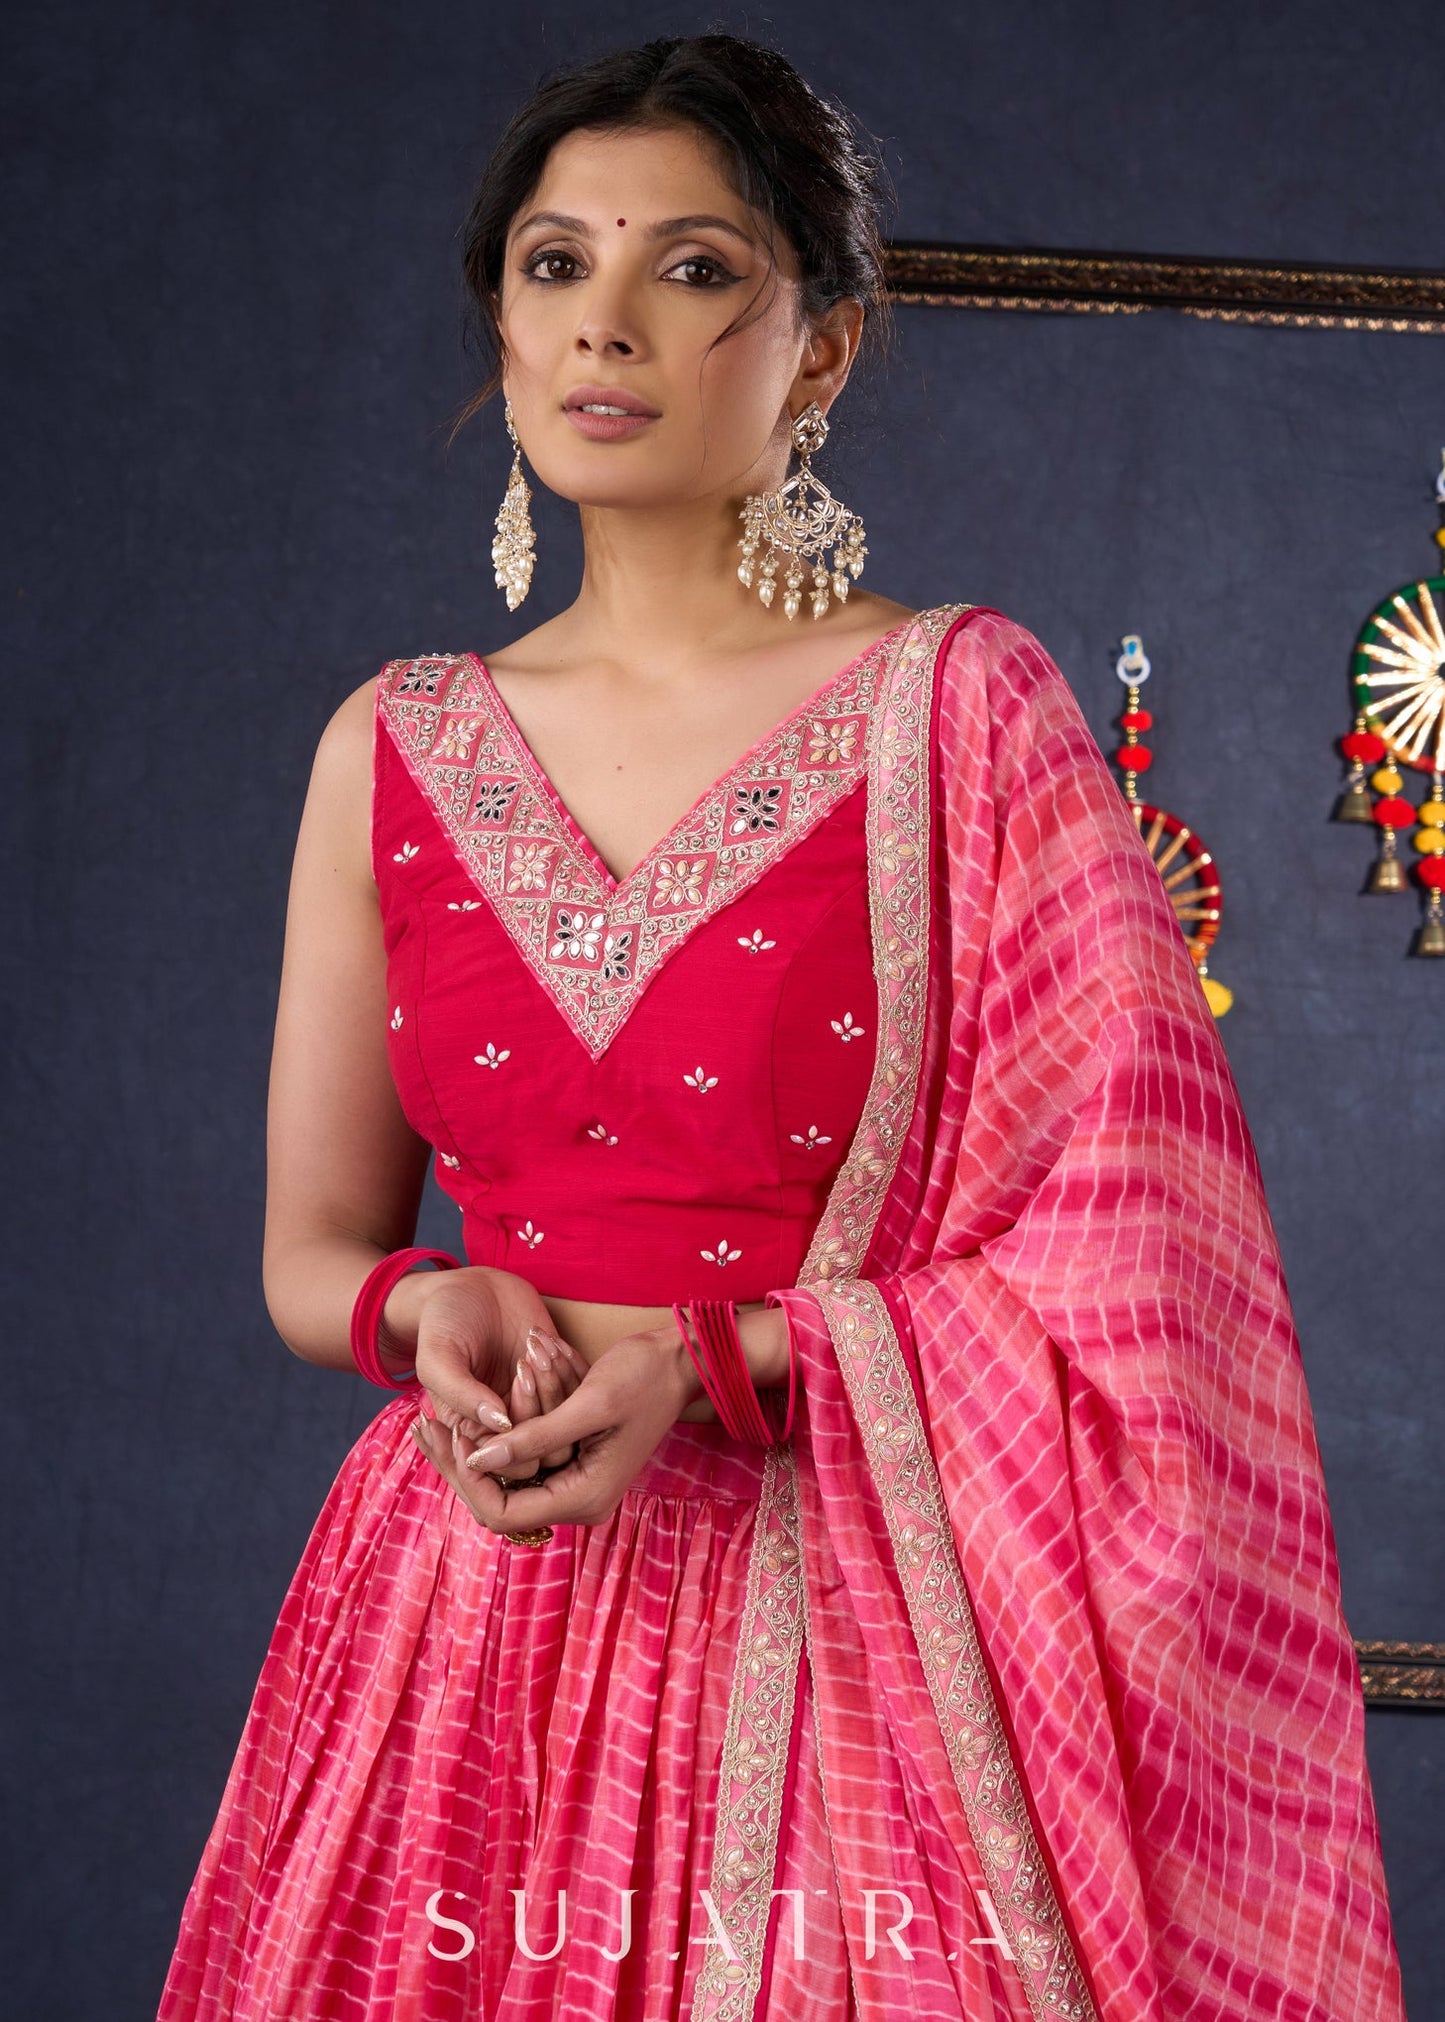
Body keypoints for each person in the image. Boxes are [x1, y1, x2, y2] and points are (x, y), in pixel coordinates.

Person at [156, 33, 1406, 2022]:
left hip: (861, 1651)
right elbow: (314, 1248)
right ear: (501, 322)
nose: (610, 321)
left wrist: (723, 1358)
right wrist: (420, 1316)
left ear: (817, 348)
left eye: (697, 268)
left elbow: (1143, 1268)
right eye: (556, 265)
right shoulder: (385, 747)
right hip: (469, 1631)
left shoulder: (966, 719)